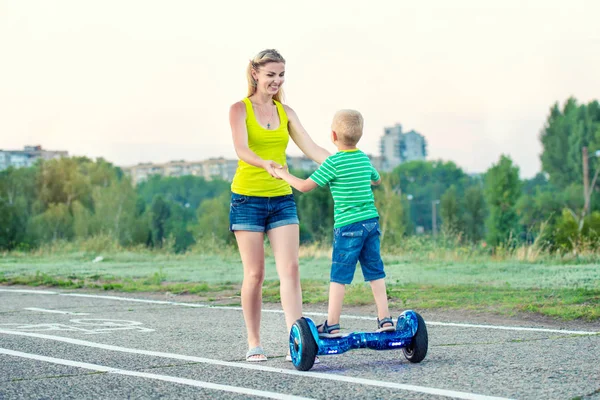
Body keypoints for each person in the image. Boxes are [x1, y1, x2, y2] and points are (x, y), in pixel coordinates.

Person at [229, 49, 330, 362]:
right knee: (255, 274)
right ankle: (254, 342)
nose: (276, 80)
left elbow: (312, 148)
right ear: (256, 74)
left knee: (291, 268)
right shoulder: (239, 109)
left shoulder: (286, 112)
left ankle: (295, 340)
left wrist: (346, 162)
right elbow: (242, 150)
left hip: (282, 199)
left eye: (281, 74)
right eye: (270, 74)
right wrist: (266, 164)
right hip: (247, 199)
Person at [274, 109, 395, 338]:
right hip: (370, 223)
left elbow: (304, 186)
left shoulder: (333, 163)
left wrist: (283, 175)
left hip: (348, 227)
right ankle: (385, 319)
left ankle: (333, 324)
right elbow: (377, 179)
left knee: (339, 276)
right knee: (375, 272)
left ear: (333, 135)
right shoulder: (363, 158)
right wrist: (363, 178)